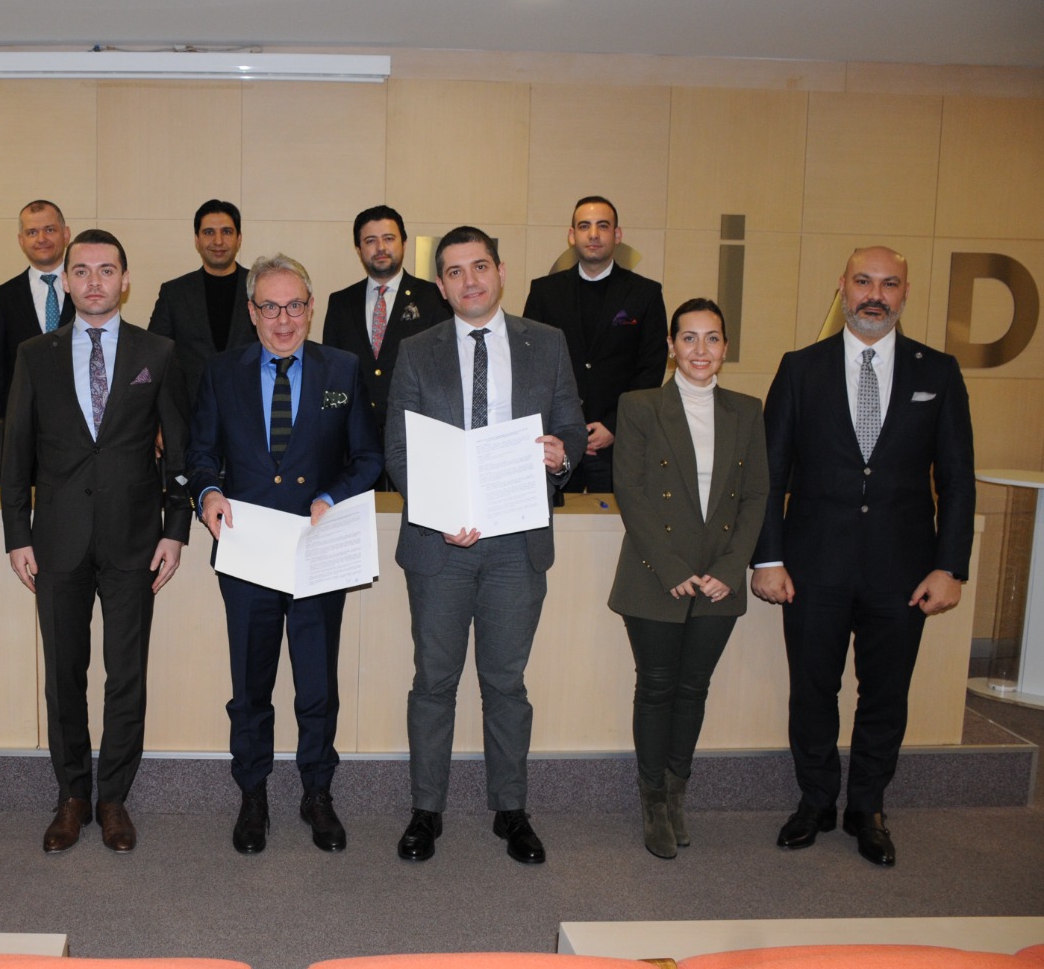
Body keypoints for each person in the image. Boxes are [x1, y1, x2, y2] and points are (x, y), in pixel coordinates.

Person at [752, 246, 975, 868]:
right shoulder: (800, 368)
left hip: (903, 571)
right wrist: (767, 558)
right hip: (812, 565)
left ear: (905, 293)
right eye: (863, 282)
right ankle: (816, 800)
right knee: (812, 691)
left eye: (889, 283)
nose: (875, 295)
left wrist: (950, 566)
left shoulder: (939, 371)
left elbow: (957, 478)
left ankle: (868, 807)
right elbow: (770, 475)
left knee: (885, 695)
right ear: (843, 288)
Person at [386, 227, 586, 865]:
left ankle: (511, 810)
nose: (469, 280)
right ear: (440, 286)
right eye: (454, 271)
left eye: (479, 266)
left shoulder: (546, 343)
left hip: (515, 545)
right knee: (433, 682)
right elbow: (400, 448)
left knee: (505, 683)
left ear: (500, 271)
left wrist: (561, 456)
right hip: (440, 545)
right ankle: (426, 810)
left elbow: (572, 426)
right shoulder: (416, 351)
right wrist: (440, 513)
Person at [1, 228, 192, 855]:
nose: (93, 281)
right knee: (64, 675)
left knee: (126, 675)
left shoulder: (158, 351)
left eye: (106, 270)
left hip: (135, 541)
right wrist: (16, 533)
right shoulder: (35, 354)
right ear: (66, 281)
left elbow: (178, 450)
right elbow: (15, 451)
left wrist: (175, 530)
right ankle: (72, 797)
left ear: (125, 280)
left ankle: (113, 799)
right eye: (81, 270)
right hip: (56, 541)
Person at [187, 253, 383, 855]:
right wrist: (208, 494)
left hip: (317, 551)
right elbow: (200, 454)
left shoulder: (342, 369)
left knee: (317, 685)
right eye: (270, 307)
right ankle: (253, 794)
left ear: (311, 307)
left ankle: (317, 792)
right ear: (252, 312)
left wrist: (331, 496)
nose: (283, 319)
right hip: (247, 555)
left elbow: (369, 458)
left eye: (294, 305)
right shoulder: (222, 372)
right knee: (250, 686)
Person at [607, 298, 768, 859]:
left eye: (713, 338)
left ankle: (677, 794)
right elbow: (629, 490)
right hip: (656, 574)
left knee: (693, 690)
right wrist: (672, 568)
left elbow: (756, 496)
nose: (702, 349)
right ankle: (653, 800)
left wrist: (731, 569)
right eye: (690, 338)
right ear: (672, 347)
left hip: (719, 577)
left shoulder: (747, 411)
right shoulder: (640, 405)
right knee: (656, 688)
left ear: (725, 347)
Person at [522, 196, 667, 493]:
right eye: (584, 226)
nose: (593, 234)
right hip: (557, 443)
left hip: (618, 444)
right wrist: (563, 428)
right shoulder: (544, 292)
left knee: (614, 521)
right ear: (571, 235)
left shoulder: (645, 293)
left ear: (617, 235)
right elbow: (530, 365)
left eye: (603, 226)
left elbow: (651, 368)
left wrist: (615, 425)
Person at [321, 205, 451, 483]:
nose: (380, 247)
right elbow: (331, 377)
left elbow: (443, 374)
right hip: (355, 444)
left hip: (415, 440)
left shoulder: (434, 298)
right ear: (358, 249)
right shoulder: (341, 302)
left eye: (389, 238)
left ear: (404, 243)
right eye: (370, 241)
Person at [149, 199, 257, 405]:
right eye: (208, 232)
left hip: (249, 406)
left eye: (227, 232)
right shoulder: (174, 293)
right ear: (197, 240)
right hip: (191, 411)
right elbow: (155, 356)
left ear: (239, 239)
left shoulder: (260, 288)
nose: (218, 241)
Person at [0, 199, 75, 420]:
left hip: (77, 420)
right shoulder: (3, 297)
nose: (41, 239)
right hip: (23, 420)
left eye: (49, 230)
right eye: (32, 232)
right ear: (21, 241)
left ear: (66, 234)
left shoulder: (86, 290)